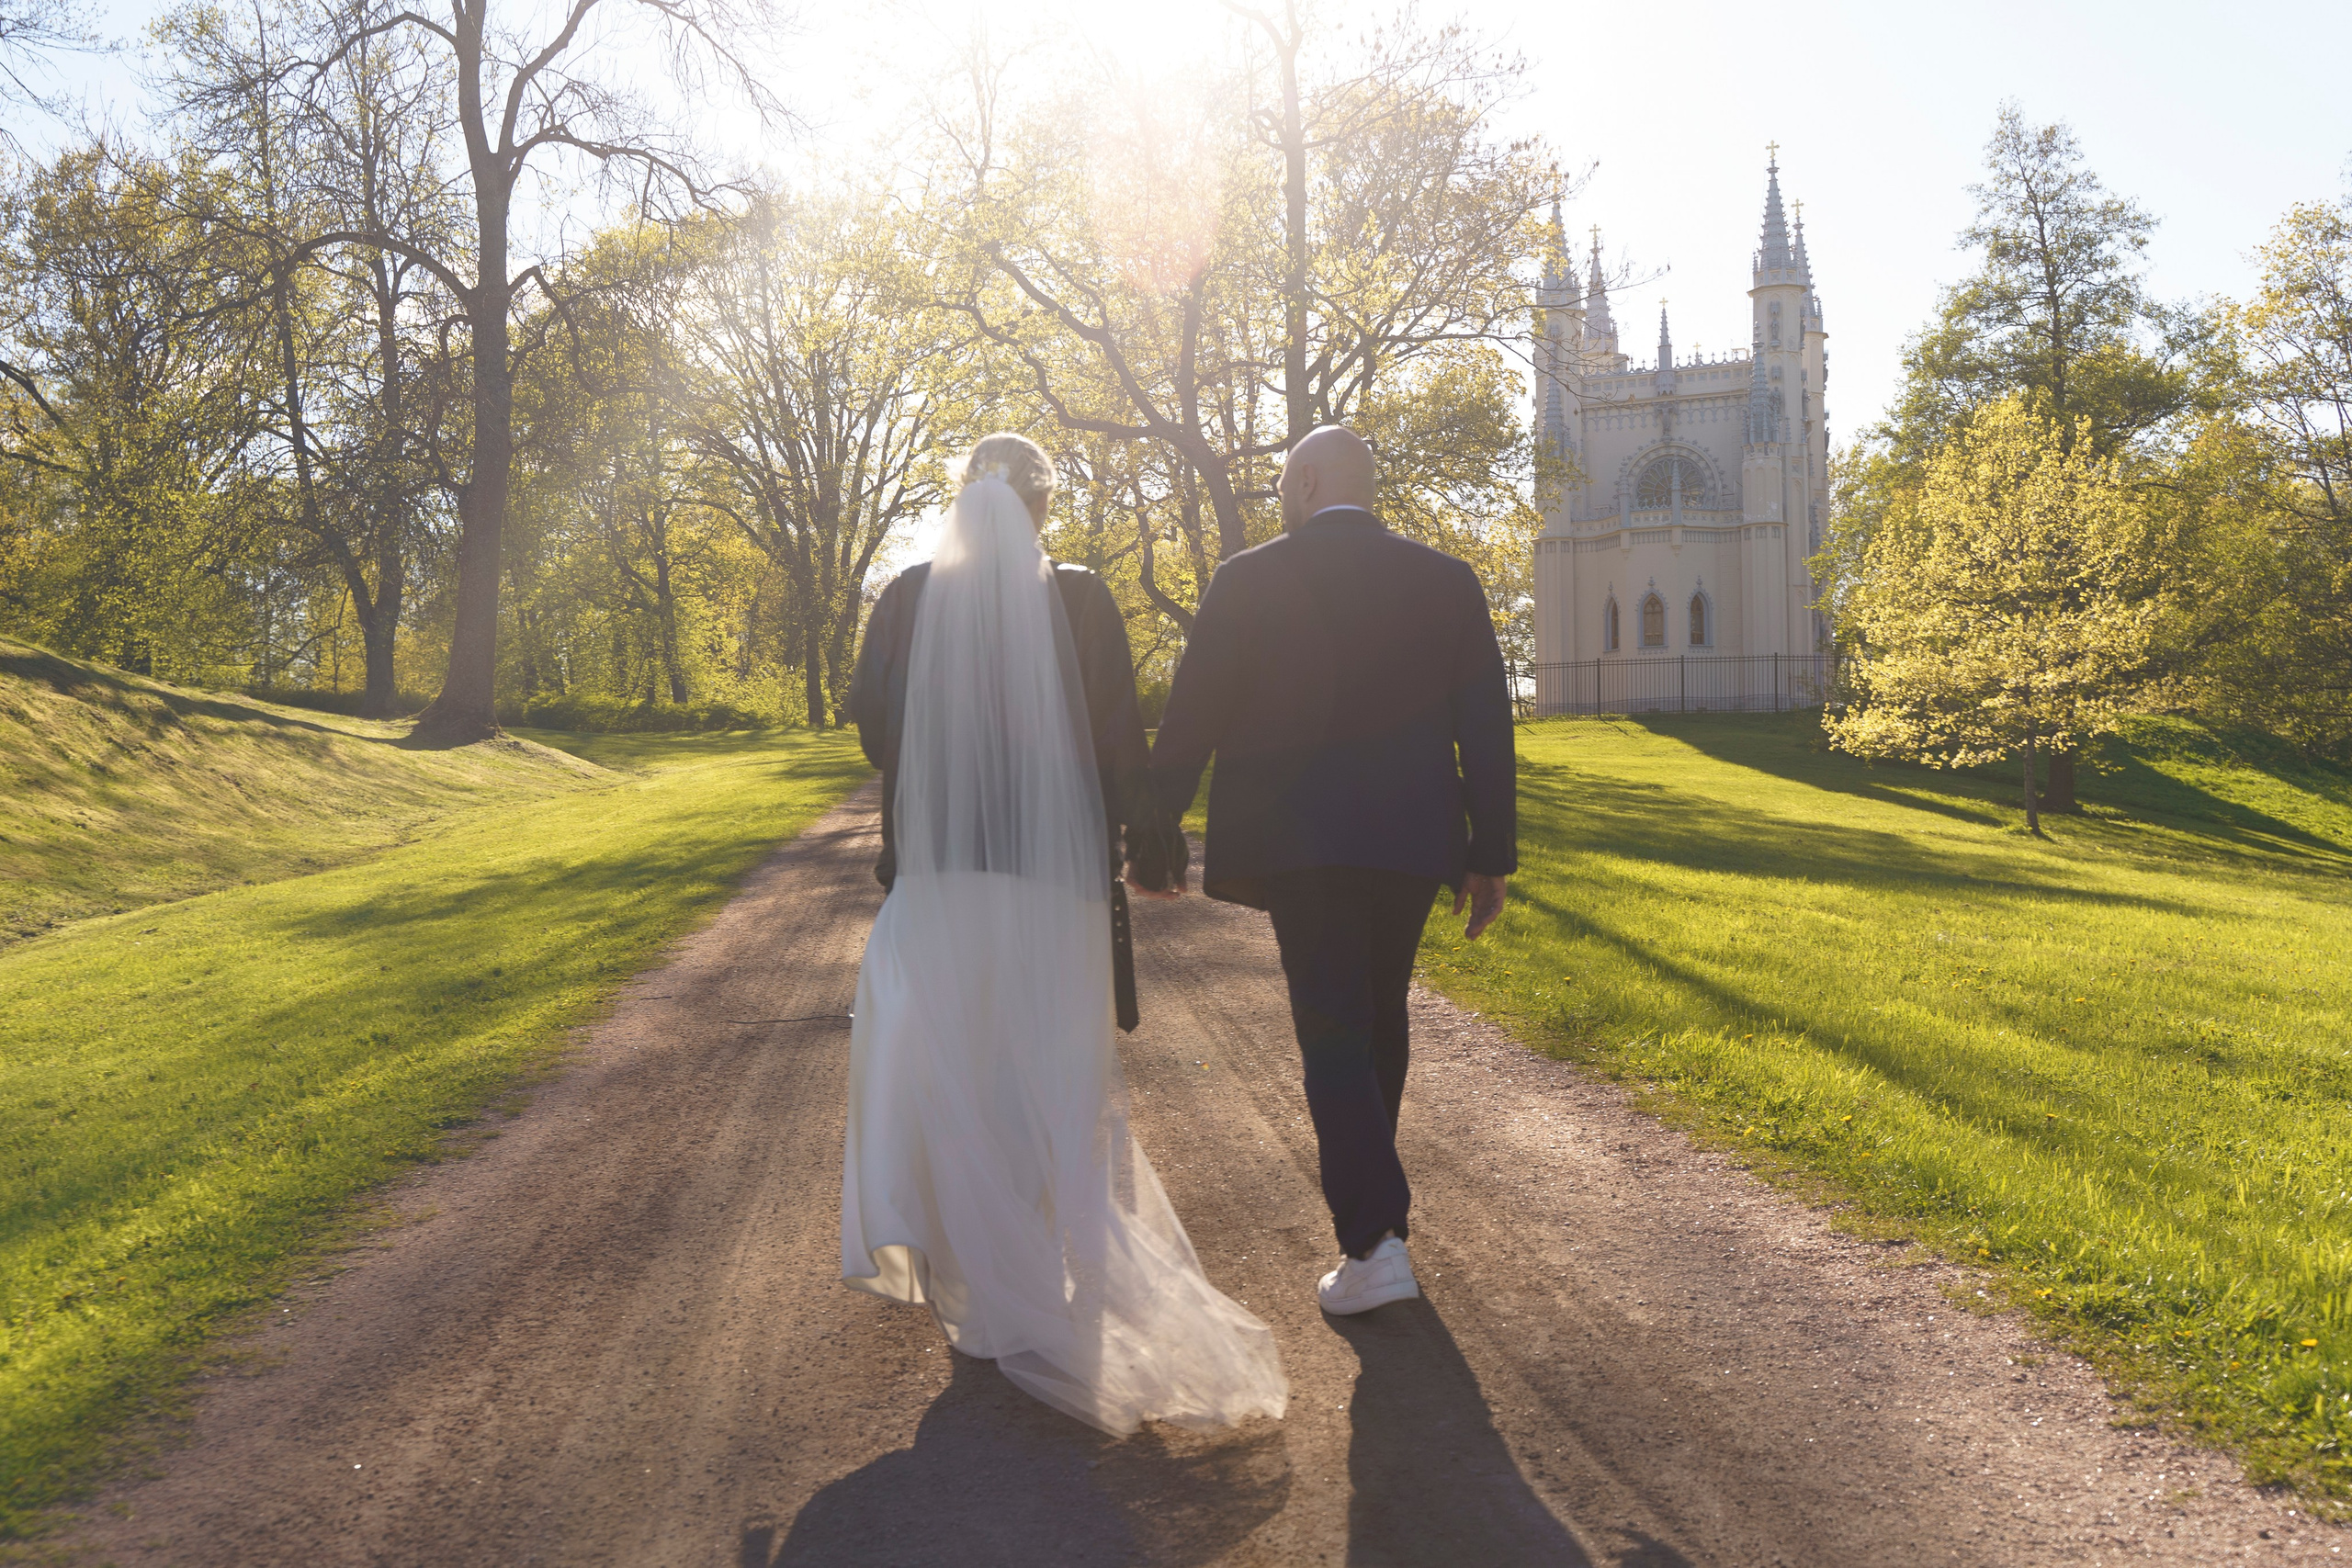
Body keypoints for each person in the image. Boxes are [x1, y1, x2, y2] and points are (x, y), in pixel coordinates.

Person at [839, 432, 1288, 1435]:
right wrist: (1154, 845)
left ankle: (977, 1282)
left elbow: (868, 721)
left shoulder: (908, 596)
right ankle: (1035, 1263)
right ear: (1043, 508)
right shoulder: (1081, 597)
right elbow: (1121, 733)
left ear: (962, 503)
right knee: (1046, 1070)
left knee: (947, 1067)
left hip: (943, 879)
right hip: (1055, 883)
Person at [1150, 424, 1517, 1316]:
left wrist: (1150, 820)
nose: (1280, 494)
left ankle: (1374, 1241)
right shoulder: (1446, 580)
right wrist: (1489, 855)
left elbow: (1192, 711)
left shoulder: (1247, 580)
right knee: (1375, 1016)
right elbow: (1486, 723)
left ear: (1307, 480)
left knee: (1333, 1028)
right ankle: (1373, 1232)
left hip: (1299, 841)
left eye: (1283, 481)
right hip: (1411, 841)